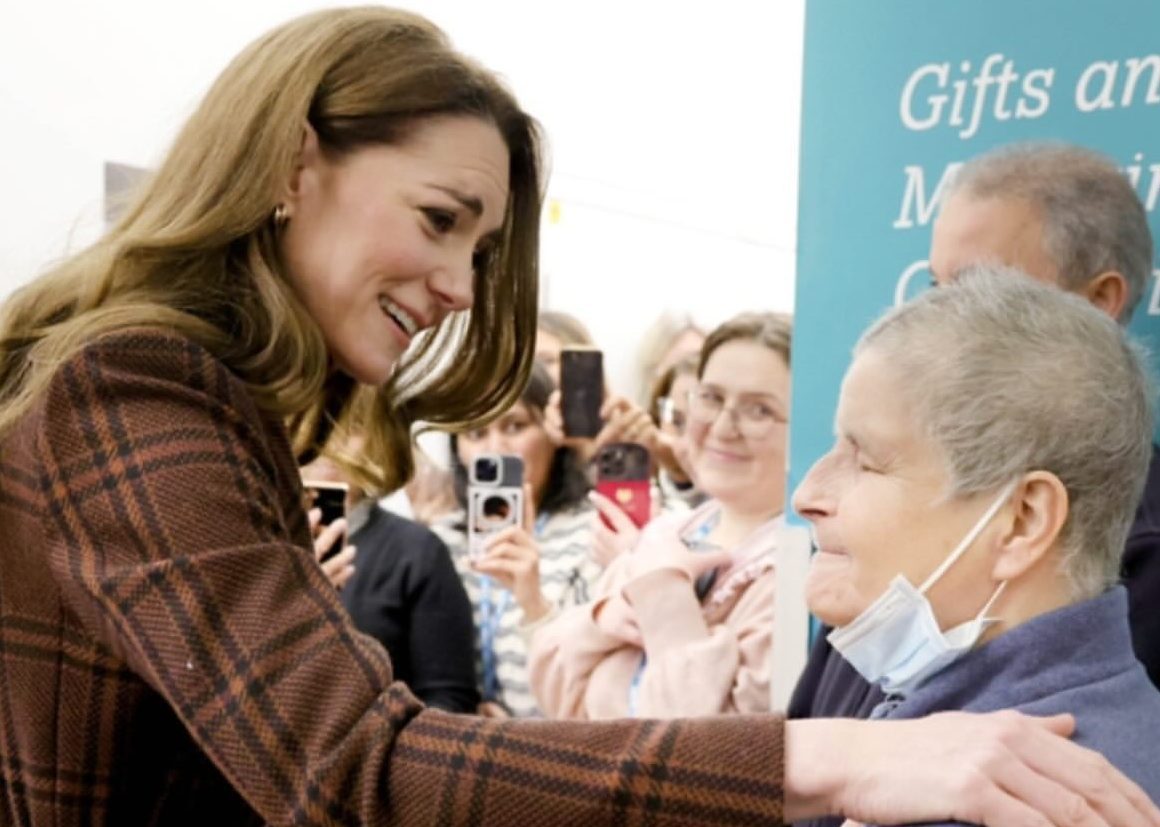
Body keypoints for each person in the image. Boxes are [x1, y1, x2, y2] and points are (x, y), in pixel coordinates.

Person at [0, 9, 1157, 825]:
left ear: (1026, 518)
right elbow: (357, 767)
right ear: (292, 164)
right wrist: (847, 760)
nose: (458, 283)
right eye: (441, 216)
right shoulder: (138, 387)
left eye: (481, 246)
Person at [790, 141, 1160, 736]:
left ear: (1098, 304)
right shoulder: (878, 571)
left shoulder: (1139, 564)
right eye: (937, 286)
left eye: (977, 288)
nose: (809, 495)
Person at [792, 268, 1160, 827]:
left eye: (866, 460)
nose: (807, 494)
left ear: (1022, 522)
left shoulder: (1004, 800)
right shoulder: (1112, 721)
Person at [530, 313, 790, 719]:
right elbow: (552, 681)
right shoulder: (665, 533)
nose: (723, 427)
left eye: (759, 410)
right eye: (711, 398)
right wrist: (603, 622)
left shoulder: (794, 572)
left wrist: (663, 598)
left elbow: (717, 749)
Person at [431, 361, 602, 717]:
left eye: (515, 426)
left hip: (558, 753)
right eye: (475, 434)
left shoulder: (595, 534)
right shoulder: (437, 542)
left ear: (554, 436)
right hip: (458, 753)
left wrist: (533, 602)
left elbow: (598, 696)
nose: (496, 448)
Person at [301, 443, 479, 713]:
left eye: (352, 423)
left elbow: (450, 699)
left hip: (387, 746)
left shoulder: (418, 552)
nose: (329, 442)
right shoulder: (256, 543)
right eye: (312, 419)